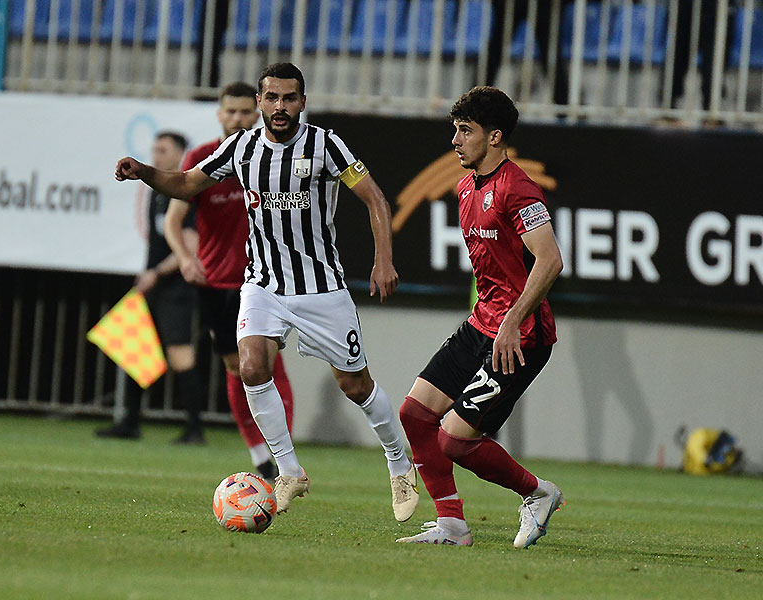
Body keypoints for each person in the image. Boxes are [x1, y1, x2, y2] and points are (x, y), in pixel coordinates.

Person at [114, 62, 419, 522]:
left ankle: (399, 462)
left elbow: (374, 197)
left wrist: (384, 259)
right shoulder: (241, 148)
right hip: (263, 284)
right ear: (260, 101)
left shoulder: (325, 145)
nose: (280, 107)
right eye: (272, 98)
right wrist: (144, 171)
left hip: (320, 287)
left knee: (355, 385)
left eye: (289, 98)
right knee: (252, 366)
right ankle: (289, 470)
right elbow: (186, 183)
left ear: (302, 102)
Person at [396, 86, 564, 548]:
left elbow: (550, 260)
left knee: (454, 440)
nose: (455, 140)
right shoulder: (466, 187)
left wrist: (511, 321)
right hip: (481, 324)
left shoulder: (518, 187)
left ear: (494, 137)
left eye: (465, 130)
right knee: (415, 415)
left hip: (521, 335)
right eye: (455, 129)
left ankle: (537, 493)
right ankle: (451, 525)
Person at [164, 82, 295, 482]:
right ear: (220, 115)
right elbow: (172, 222)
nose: (238, 118)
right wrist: (185, 259)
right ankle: (259, 455)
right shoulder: (201, 159)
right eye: (231, 112)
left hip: (266, 280)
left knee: (269, 364)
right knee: (237, 368)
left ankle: (283, 458)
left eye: (245, 112)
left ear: (257, 113)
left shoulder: (270, 155)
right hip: (217, 284)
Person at [98, 131, 206, 444]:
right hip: (154, 283)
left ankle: (194, 428)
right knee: (136, 347)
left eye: (163, 150)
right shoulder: (156, 191)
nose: (156, 156)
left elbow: (191, 244)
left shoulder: (186, 190)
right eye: (154, 150)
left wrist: (156, 273)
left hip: (177, 286)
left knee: (180, 354)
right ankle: (130, 422)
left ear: (181, 154)